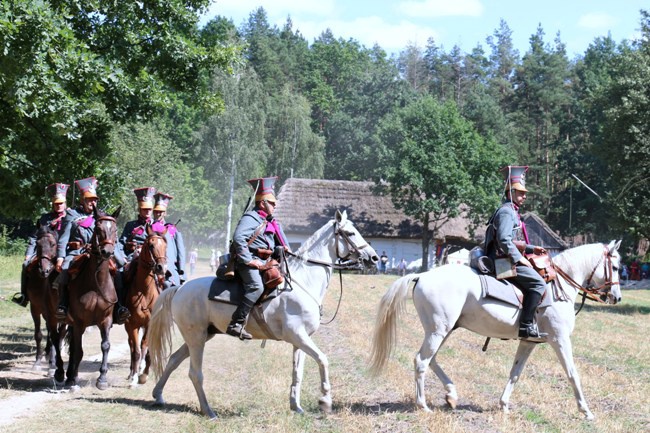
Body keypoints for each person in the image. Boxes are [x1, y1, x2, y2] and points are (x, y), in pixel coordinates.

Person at [483, 166, 548, 342]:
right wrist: (520, 259)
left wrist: (530, 249)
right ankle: (526, 326)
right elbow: (504, 240)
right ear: (510, 192)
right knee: (539, 284)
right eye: (520, 193)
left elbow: (512, 240)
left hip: (505, 257)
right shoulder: (506, 212)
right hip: (501, 261)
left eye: (524, 193)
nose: (524, 196)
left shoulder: (511, 211)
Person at [54, 177, 129, 323]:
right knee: (65, 269)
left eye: (94, 199)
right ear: (82, 199)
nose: (92, 202)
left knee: (118, 272)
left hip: (99, 254)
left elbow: (114, 238)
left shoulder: (101, 215)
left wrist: (120, 258)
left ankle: (119, 307)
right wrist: (60, 257)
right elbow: (63, 238)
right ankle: (63, 305)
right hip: (77, 252)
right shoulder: (72, 215)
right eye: (89, 200)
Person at [227, 176, 289, 340]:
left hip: (264, 261)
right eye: (272, 203)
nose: (275, 206)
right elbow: (239, 238)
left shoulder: (267, 220)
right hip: (248, 262)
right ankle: (236, 323)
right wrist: (248, 260)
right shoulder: (251, 217)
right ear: (263, 203)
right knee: (256, 287)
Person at [12, 183, 70, 307]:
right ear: (52, 204)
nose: (58, 206)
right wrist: (28, 254)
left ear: (65, 203)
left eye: (61, 203)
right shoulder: (45, 218)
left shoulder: (70, 216)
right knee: (26, 264)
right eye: (56, 203)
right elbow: (34, 237)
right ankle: (24, 296)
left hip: (65, 249)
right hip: (45, 249)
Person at [114, 187, 158, 321]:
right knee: (119, 277)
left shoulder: (158, 226)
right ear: (139, 209)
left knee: (165, 281)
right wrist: (123, 258)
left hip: (152, 261)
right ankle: (121, 307)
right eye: (145, 209)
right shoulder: (130, 225)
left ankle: (165, 311)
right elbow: (120, 243)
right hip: (131, 259)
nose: (147, 212)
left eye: (149, 209)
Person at [151, 192, 186, 288]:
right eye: (156, 211)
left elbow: (181, 251)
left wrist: (181, 271)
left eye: (161, 212)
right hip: (151, 266)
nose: (158, 214)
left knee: (170, 286)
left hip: (170, 268)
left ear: (165, 213)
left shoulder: (171, 229)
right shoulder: (149, 228)